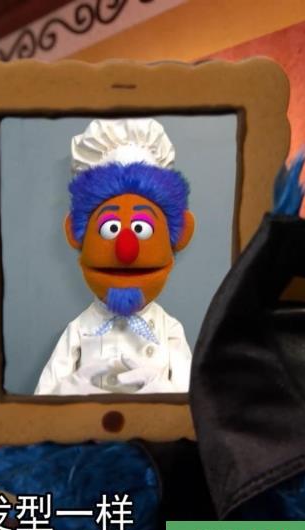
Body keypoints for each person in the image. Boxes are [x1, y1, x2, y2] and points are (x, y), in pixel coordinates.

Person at [34, 118, 196, 395]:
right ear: (75, 233)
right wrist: (66, 392)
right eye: (110, 228)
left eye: (141, 228)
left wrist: (167, 395)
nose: (126, 249)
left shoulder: (169, 329)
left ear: (180, 235)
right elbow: (42, 401)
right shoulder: (80, 329)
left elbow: (194, 405)